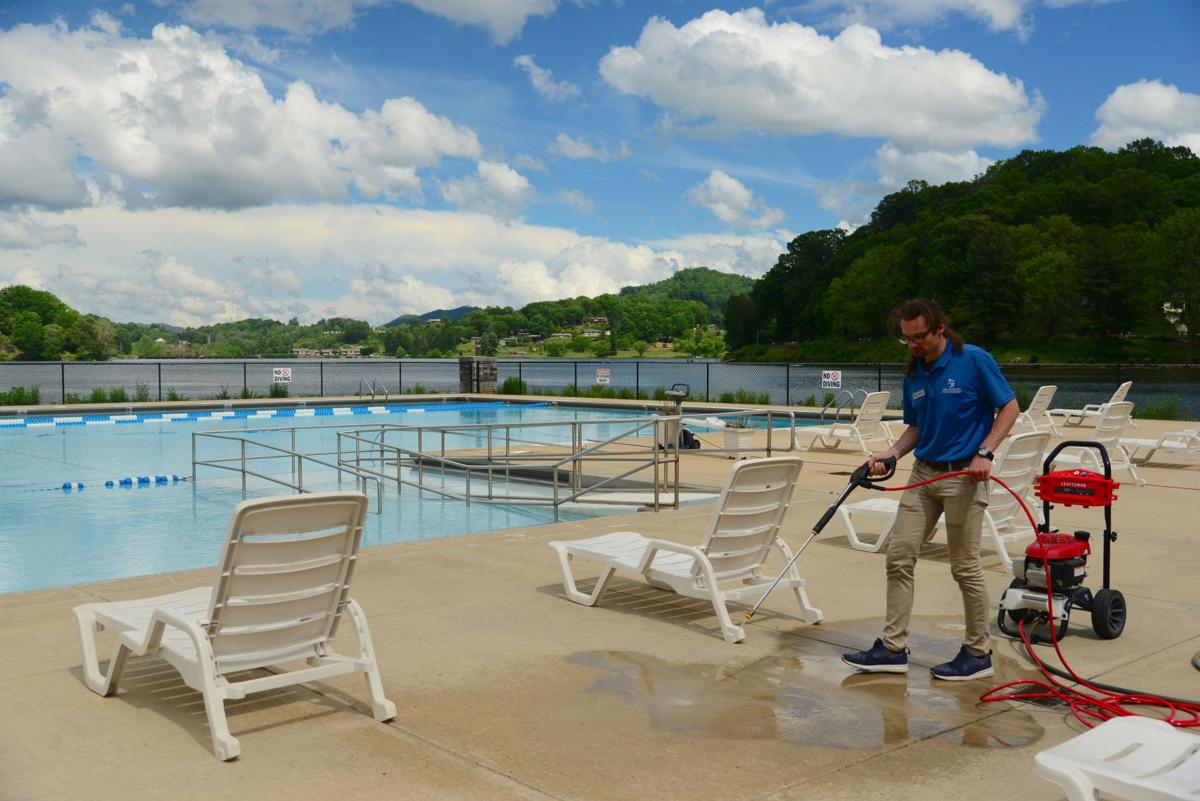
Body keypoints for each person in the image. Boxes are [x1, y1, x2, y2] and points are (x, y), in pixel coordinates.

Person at [842, 298, 1019, 681]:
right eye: (906, 339)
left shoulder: (973, 360)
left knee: (965, 567)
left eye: (919, 337)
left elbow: (1009, 408)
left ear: (939, 328)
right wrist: (891, 454)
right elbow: (917, 427)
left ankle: (977, 653)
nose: (914, 345)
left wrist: (985, 452)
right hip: (924, 474)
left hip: (964, 477)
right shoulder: (914, 375)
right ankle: (893, 649)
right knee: (899, 557)